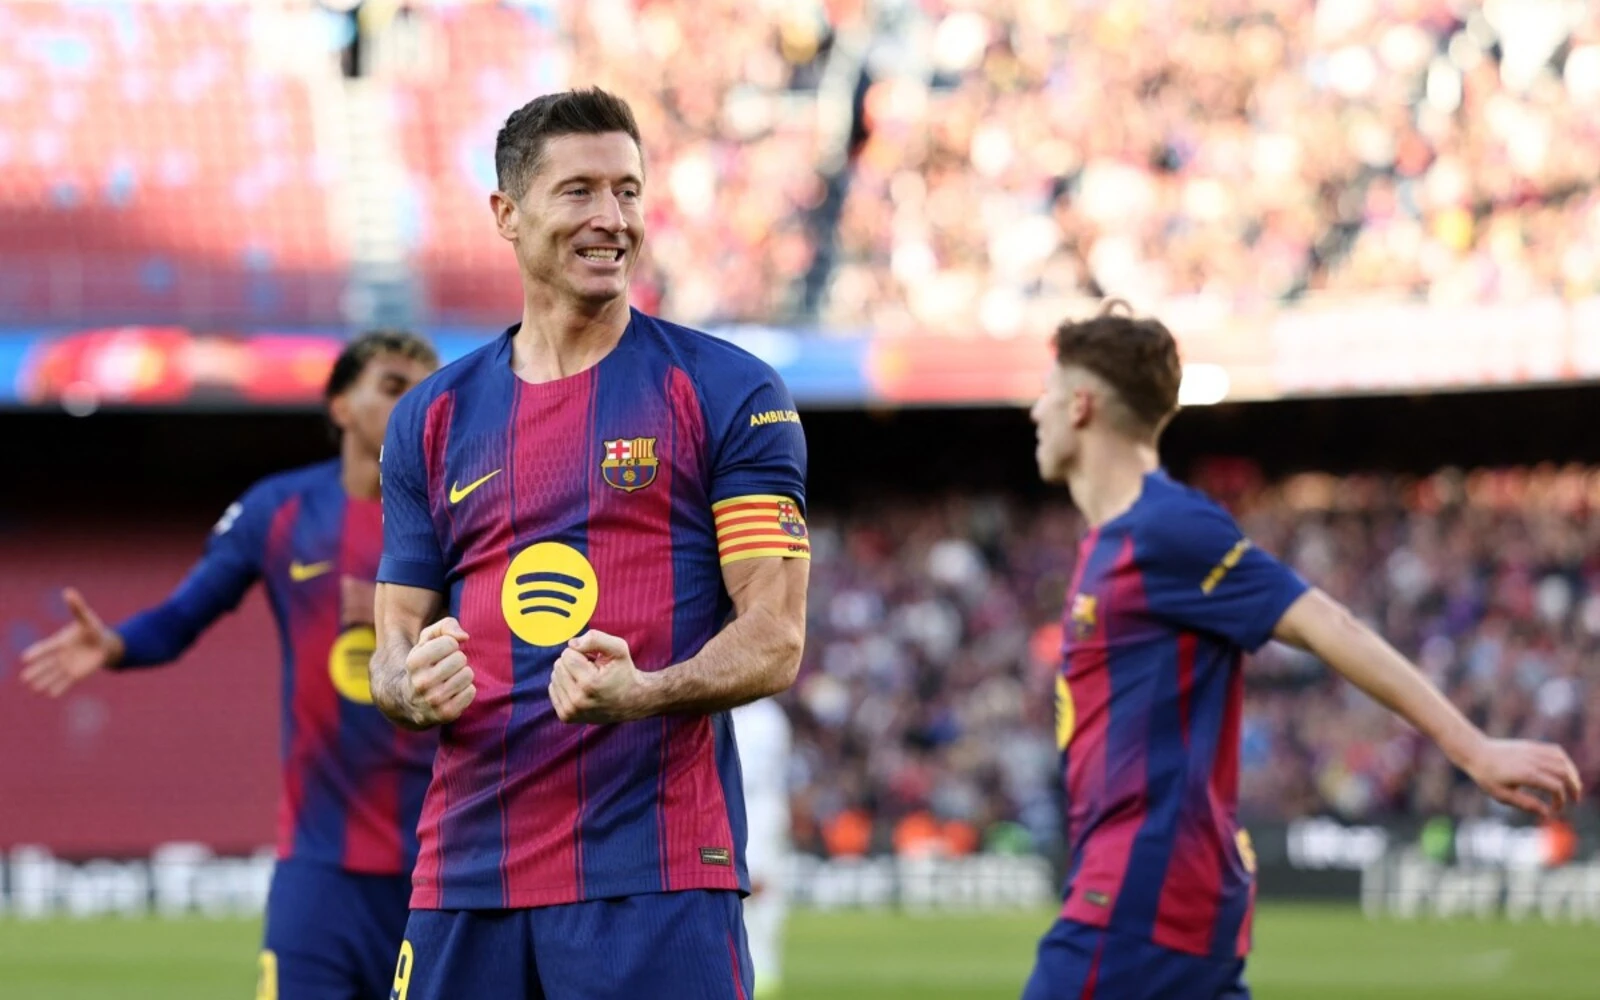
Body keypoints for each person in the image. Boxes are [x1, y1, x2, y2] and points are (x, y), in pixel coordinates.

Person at [369, 87, 810, 1000]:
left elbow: (775, 636)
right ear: (507, 213)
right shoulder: (430, 419)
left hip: (654, 877)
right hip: (465, 876)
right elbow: (391, 647)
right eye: (579, 191)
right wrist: (409, 687)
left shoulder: (727, 391)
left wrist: (648, 692)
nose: (612, 218)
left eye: (628, 191)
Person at [1022, 301, 1583, 1000]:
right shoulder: (1110, 545)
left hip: (1138, 893)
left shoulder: (1164, 528)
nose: (1034, 411)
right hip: (1158, 891)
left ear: (1080, 405)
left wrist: (1473, 749)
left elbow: (1328, 624)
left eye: (1045, 392)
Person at [18, 330, 441, 1000]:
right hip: (320, 867)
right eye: (394, 387)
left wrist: (415, 611)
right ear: (339, 406)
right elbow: (185, 615)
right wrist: (117, 645)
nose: (413, 405)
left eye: (425, 391)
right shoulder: (280, 510)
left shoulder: (458, 513)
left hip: (438, 864)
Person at [732, 698, 794, 997]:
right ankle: (749, 963)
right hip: (743, 806)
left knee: (759, 888)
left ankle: (763, 966)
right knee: (745, 889)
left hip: (759, 808)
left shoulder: (767, 717)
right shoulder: (770, 716)